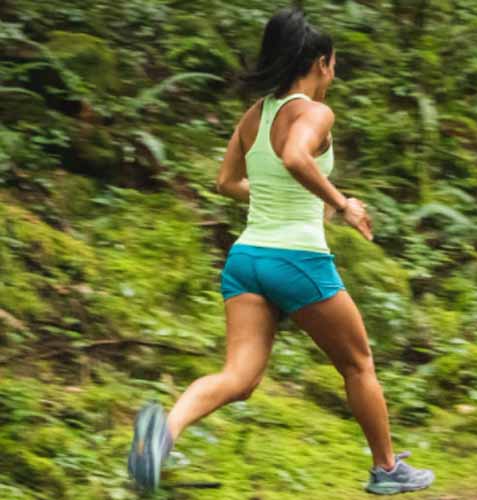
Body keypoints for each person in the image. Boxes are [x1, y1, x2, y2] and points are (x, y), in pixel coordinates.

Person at [126, 6, 435, 496]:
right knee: (358, 364)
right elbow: (294, 155)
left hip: (247, 260)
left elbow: (225, 182)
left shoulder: (254, 115)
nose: (334, 73)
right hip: (297, 259)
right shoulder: (315, 112)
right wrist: (343, 203)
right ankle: (387, 468)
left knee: (239, 377)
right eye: (333, 64)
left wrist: (279, 194)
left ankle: (162, 434)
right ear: (319, 63)